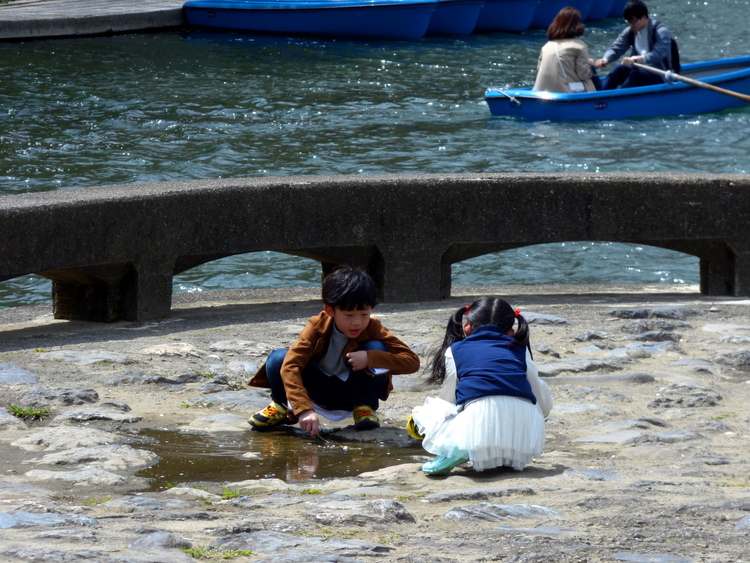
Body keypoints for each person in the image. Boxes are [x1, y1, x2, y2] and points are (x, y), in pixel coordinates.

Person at [247, 265, 420, 437]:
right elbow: (291, 365)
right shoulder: (316, 327)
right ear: (330, 310)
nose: (357, 323)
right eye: (348, 315)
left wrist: (370, 358)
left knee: (377, 348)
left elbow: (412, 362)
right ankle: (283, 407)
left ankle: (364, 409)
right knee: (278, 358)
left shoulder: (374, 328)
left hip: (351, 394)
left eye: (364, 314)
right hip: (316, 392)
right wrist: (303, 408)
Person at [407, 297, 553, 476]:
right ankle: (502, 449)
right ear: (511, 332)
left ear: (467, 326)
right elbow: (541, 400)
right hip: (523, 432)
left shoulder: (456, 350)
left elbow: (448, 401)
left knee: (423, 415)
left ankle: (455, 448)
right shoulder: (520, 350)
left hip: (478, 418)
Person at [594, 0, 673, 90]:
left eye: (633, 21)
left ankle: (620, 99)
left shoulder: (661, 31)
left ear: (644, 17)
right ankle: (599, 97)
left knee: (636, 76)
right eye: (628, 22)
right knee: (619, 69)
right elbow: (616, 48)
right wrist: (605, 59)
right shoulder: (631, 31)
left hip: (660, 74)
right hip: (639, 71)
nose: (631, 25)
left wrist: (635, 59)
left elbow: (659, 54)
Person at [533, 7, 600, 93]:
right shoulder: (579, 46)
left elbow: (539, 69)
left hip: (541, 91)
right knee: (591, 68)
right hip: (567, 90)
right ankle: (601, 99)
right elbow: (583, 75)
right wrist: (591, 66)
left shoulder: (546, 46)